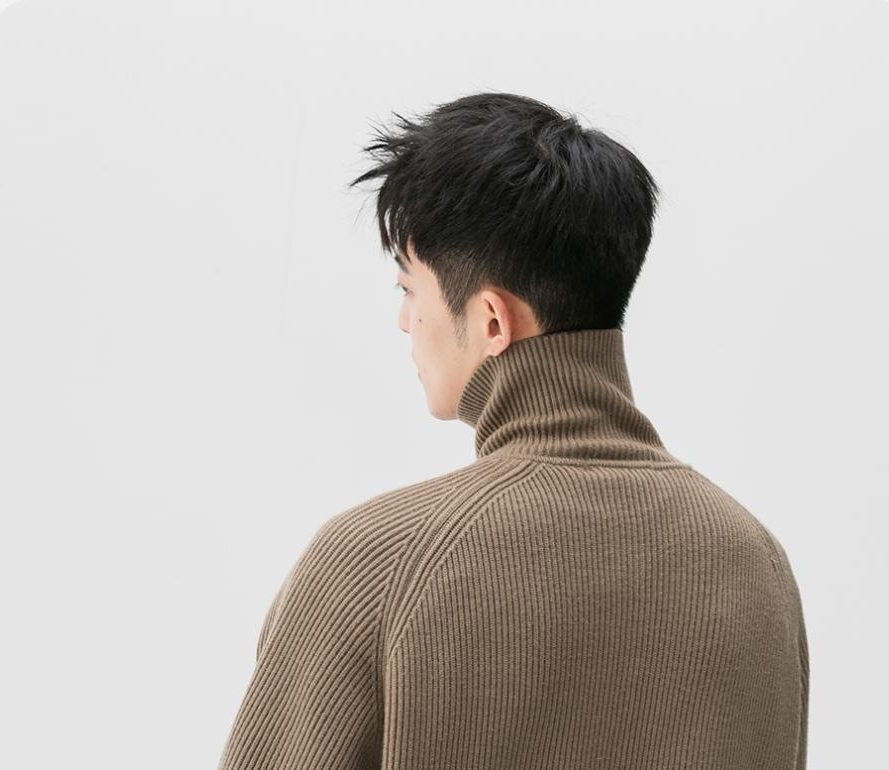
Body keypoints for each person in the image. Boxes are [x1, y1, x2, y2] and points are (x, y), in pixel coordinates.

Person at [216, 92, 808, 769]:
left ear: (492, 321)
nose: (404, 321)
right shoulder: (755, 563)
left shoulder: (372, 564)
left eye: (409, 289)